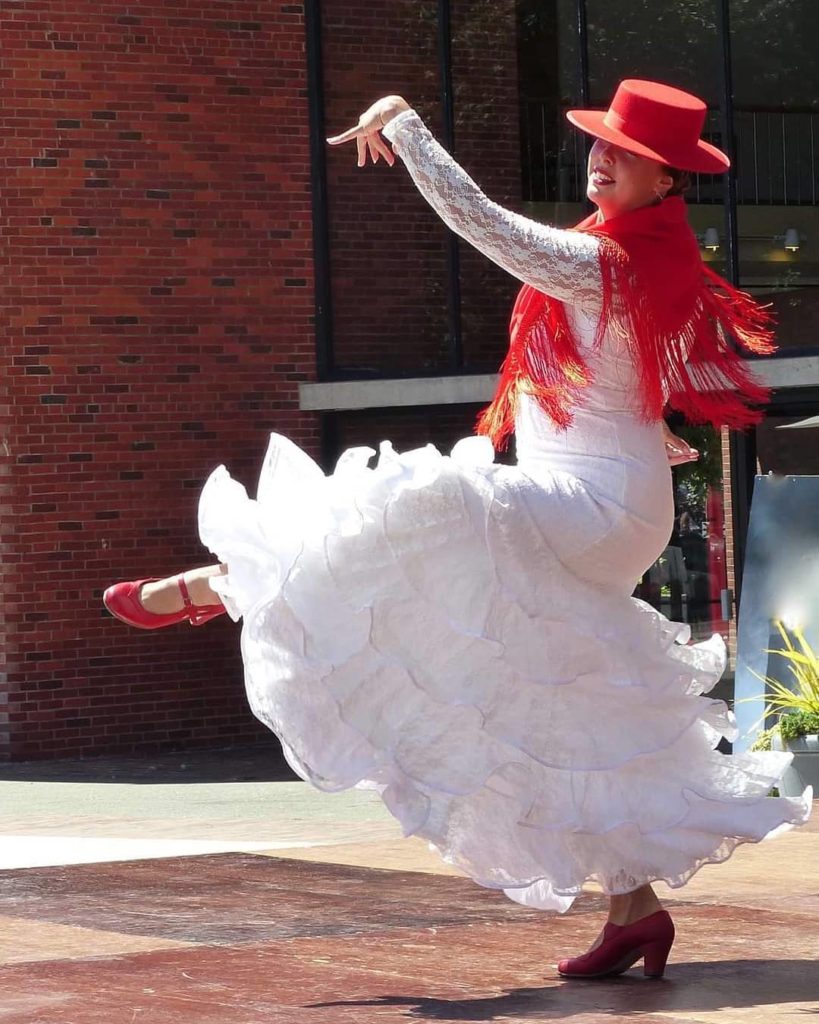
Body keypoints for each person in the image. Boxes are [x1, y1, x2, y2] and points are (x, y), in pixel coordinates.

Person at [104, 80, 811, 979]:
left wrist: (404, 125)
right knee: (567, 709)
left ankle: (214, 587)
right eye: (598, 143)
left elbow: (480, 222)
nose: (601, 158)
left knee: (413, 502)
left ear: (667, 181)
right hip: (602, 499)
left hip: (589, 506)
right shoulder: (635, 255)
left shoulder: (605, 264)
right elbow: (626, 387)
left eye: (625, 154)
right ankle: (635, 911)